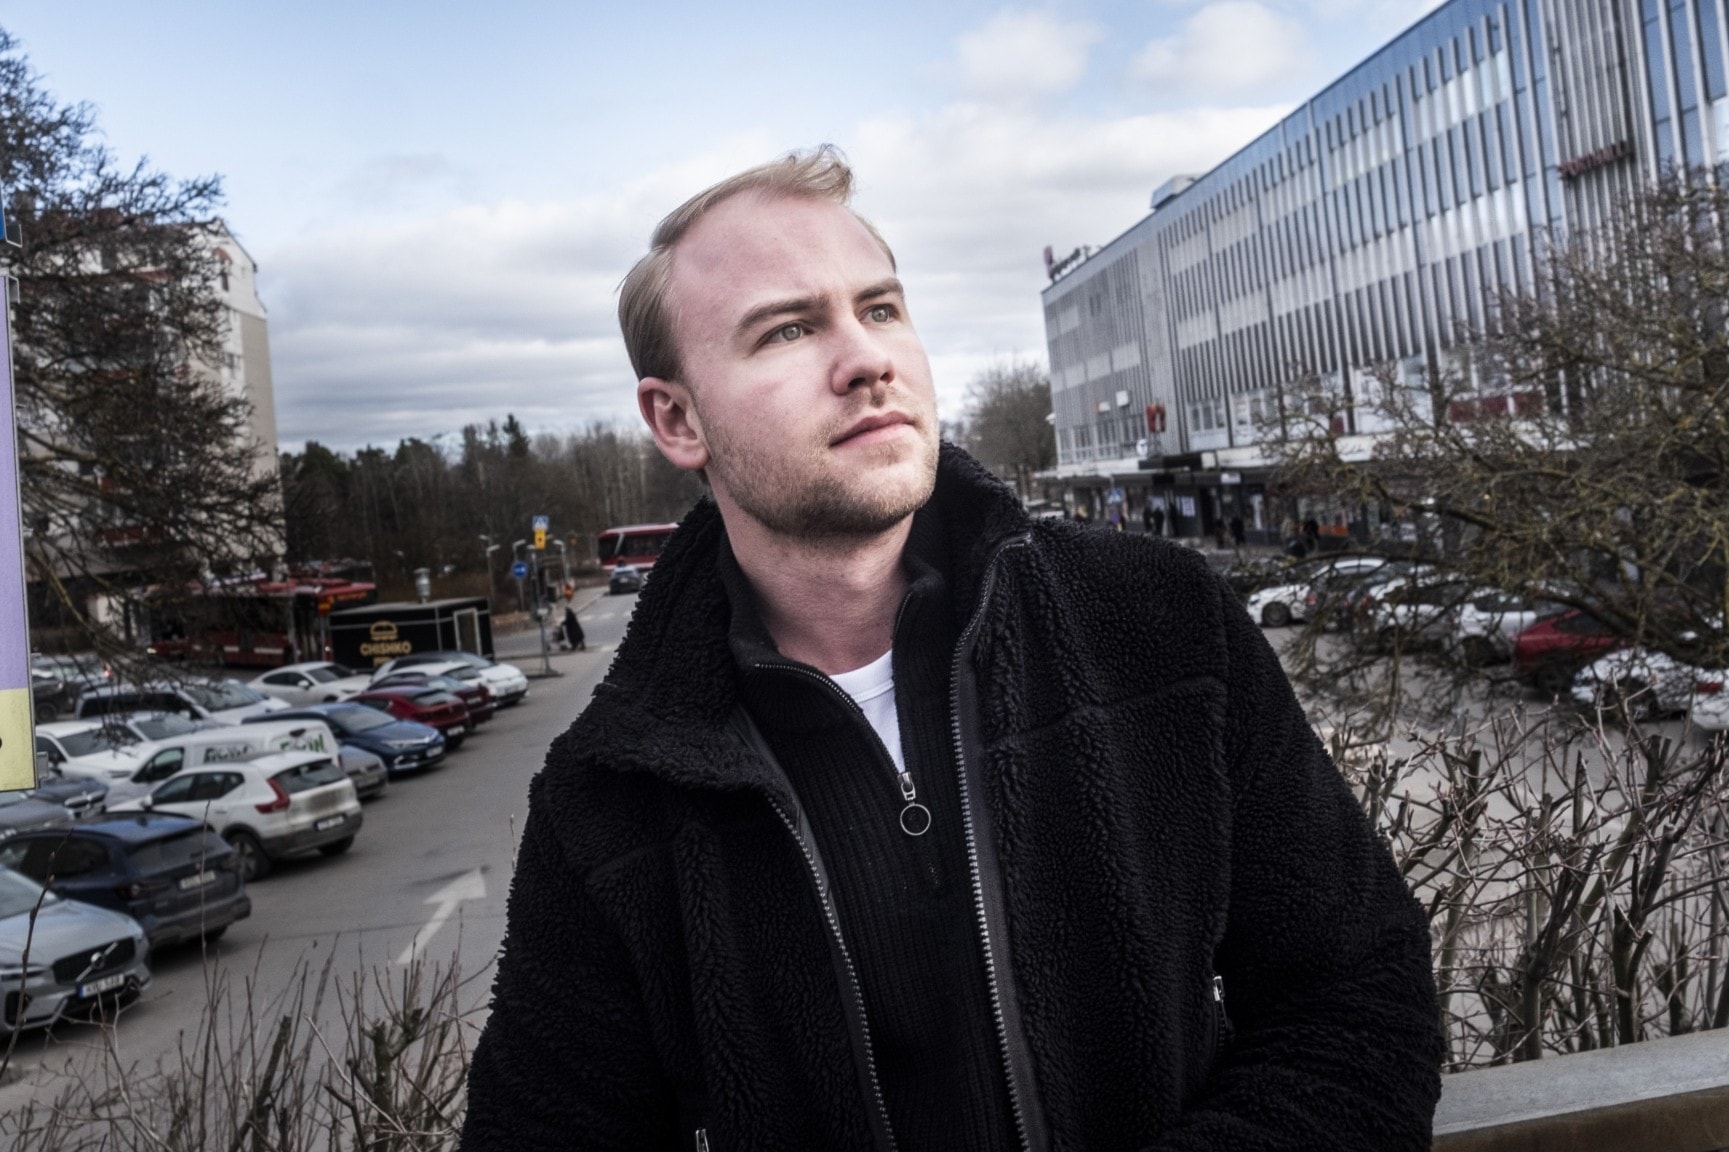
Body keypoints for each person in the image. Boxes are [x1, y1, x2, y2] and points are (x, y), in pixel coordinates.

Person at [462, 147, 1439, 1151]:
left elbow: (1357, 996)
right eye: (788, 329)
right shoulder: (609, 798)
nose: (866, 359)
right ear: (676, 419)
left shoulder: (1158, 624)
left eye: (880, 309)